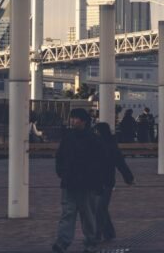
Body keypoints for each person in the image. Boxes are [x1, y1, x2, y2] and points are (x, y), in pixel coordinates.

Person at [52, 108, 104, 253]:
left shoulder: (92, 139)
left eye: (76, 118)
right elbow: (60, 157)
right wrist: (62, 173)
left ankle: (89, 241)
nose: (73, 121)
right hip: (71, 182)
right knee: (70, 213)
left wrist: (62, 173)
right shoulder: (69, 137)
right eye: (72, 118)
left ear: (84, 121)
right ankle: (63, 242)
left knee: (85, 214)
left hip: (86, 183)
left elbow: (99, 163)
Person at [93, 122, 134, 242]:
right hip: (97, 180)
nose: (95, 134)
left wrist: (128, 178)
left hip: (106, 180)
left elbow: (120, 163)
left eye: (97, 131)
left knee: (99, 208)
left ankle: (97, 234)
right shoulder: (96, 145)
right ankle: (109, 232)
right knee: (101, 208)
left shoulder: (110, 146)